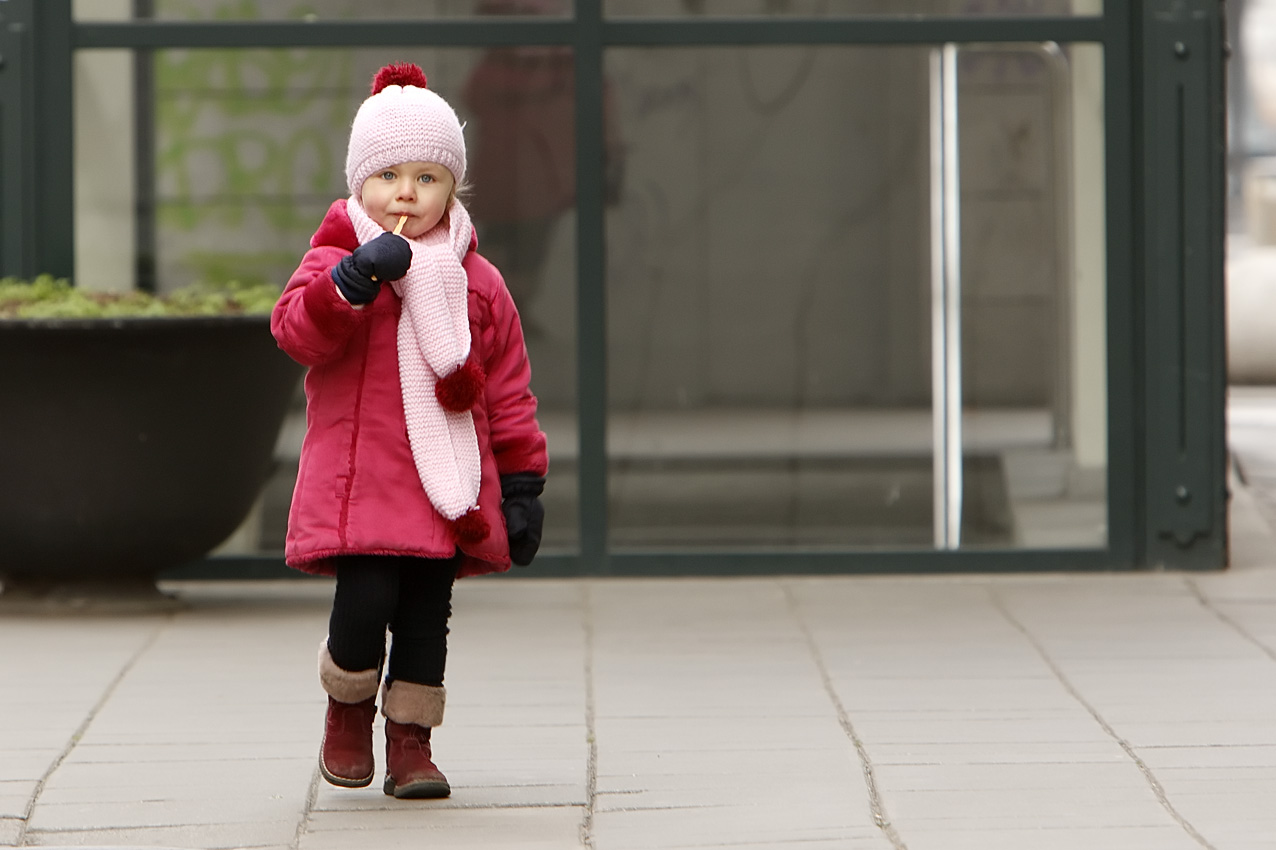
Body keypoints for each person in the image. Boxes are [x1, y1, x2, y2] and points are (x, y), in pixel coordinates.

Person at [270, 61, 548, 800]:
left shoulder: (478, 283)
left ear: (452, 188)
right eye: (389, 173)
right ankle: (347, 710)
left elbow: (509, 390)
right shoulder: (336, 261)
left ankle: (411, 743)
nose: (406, 192)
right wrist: (352, 282)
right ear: (360, 184)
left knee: (428, 618)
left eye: (428, 177)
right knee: (363, 604)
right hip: (363, 484)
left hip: (445, 484)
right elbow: (297, 332)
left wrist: (522, 483)